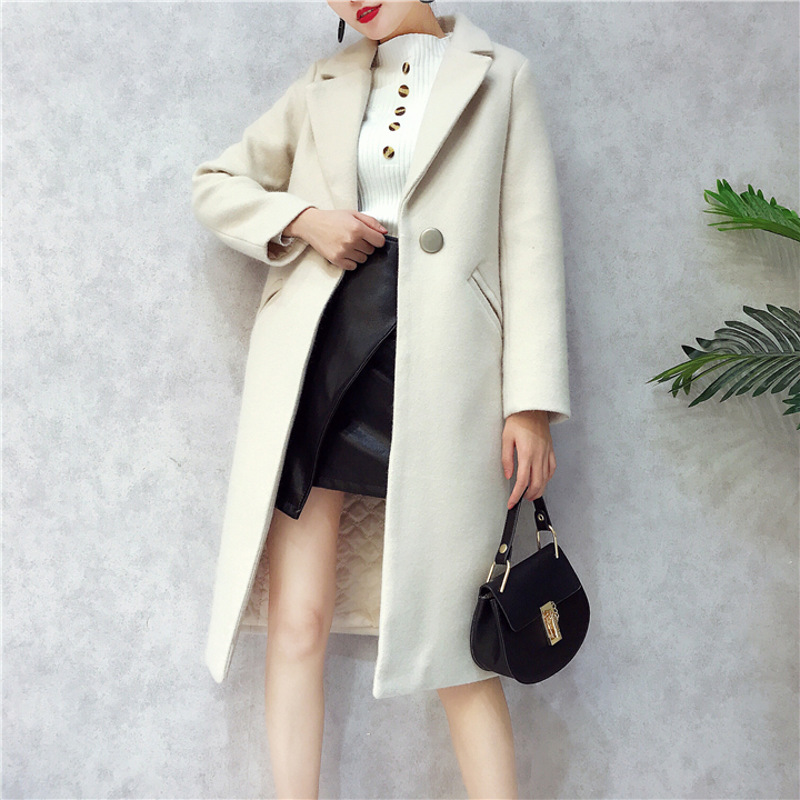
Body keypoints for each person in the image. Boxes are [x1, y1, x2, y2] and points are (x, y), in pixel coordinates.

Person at [192, 1, 570, 797]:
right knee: (299, 618)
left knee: (456, 637)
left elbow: (531, 244)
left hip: (447, 372)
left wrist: (530, 403)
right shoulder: (322, 83)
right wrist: (305, 219)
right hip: (326, 354)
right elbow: (215, 184)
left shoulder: (502, 78)